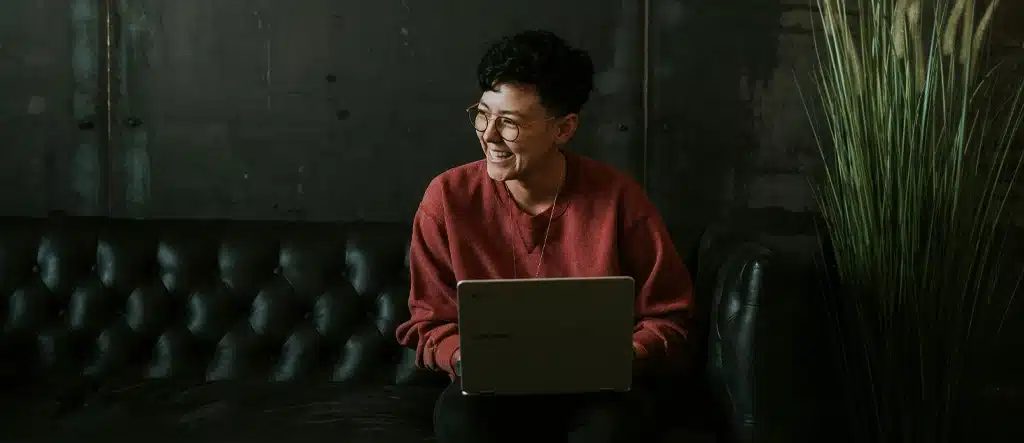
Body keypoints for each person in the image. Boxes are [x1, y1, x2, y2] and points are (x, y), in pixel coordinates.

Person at [395, 29, 694, 443]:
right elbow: (429, 323)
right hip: (489, 392)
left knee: (614, 428)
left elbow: (670, 316)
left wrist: (624, 354)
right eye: (483, 115)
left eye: (511, 123)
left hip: (598, 392)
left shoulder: (618, 198)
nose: (490, 135)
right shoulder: (447, 197)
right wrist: (466, 357)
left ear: (565, 128)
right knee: (461, 423)